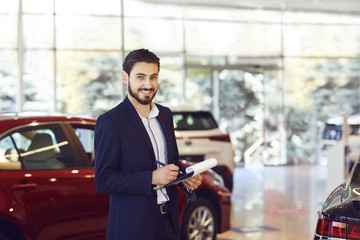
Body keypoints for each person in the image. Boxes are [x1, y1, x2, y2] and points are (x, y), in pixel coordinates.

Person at [94, 48, 202, 240]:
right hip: (133, 228)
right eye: (141, 77)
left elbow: (172, 161)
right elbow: (103, 180)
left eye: (153, 77)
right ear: (125, 77)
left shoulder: (166, 115)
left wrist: (184, 178)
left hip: (168, 223)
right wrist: (152, 178)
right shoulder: (110, 122)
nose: (148, 84)